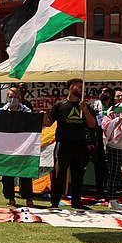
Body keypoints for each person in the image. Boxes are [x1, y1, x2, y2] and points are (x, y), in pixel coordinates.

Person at [43, 78, 96, 209]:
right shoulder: (60, 105)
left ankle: (77, 203)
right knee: (58, 175)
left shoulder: (86, 106)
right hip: (63, 146)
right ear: (71, 87)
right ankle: (54, 203)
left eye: (83, 87)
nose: (82, 90)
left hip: (80, 146)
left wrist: (85, 110)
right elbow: (48, 123)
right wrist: (43, 116)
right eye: (79, 86)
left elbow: (92, 124)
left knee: (78, 176)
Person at [0, 87, 34, 207]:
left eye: (14, 97)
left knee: (25, 173)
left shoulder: (26, 111)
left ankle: (28, 198)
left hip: (23, 147)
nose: (12, 99)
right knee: (8, 174)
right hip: (7, 147)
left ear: (19, 98)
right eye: (10, 97)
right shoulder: (1, 111)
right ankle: (10, 198)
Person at [89, 87, 114, 198]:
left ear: (111, 95)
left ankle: (109, 191)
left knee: (110, 167)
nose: (102, 93)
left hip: (111, 139)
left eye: (105, 92)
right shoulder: (93, 106)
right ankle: (99, 192)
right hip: (97, 139)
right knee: (98, 167)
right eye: (100, 92)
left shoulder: (114, 108)